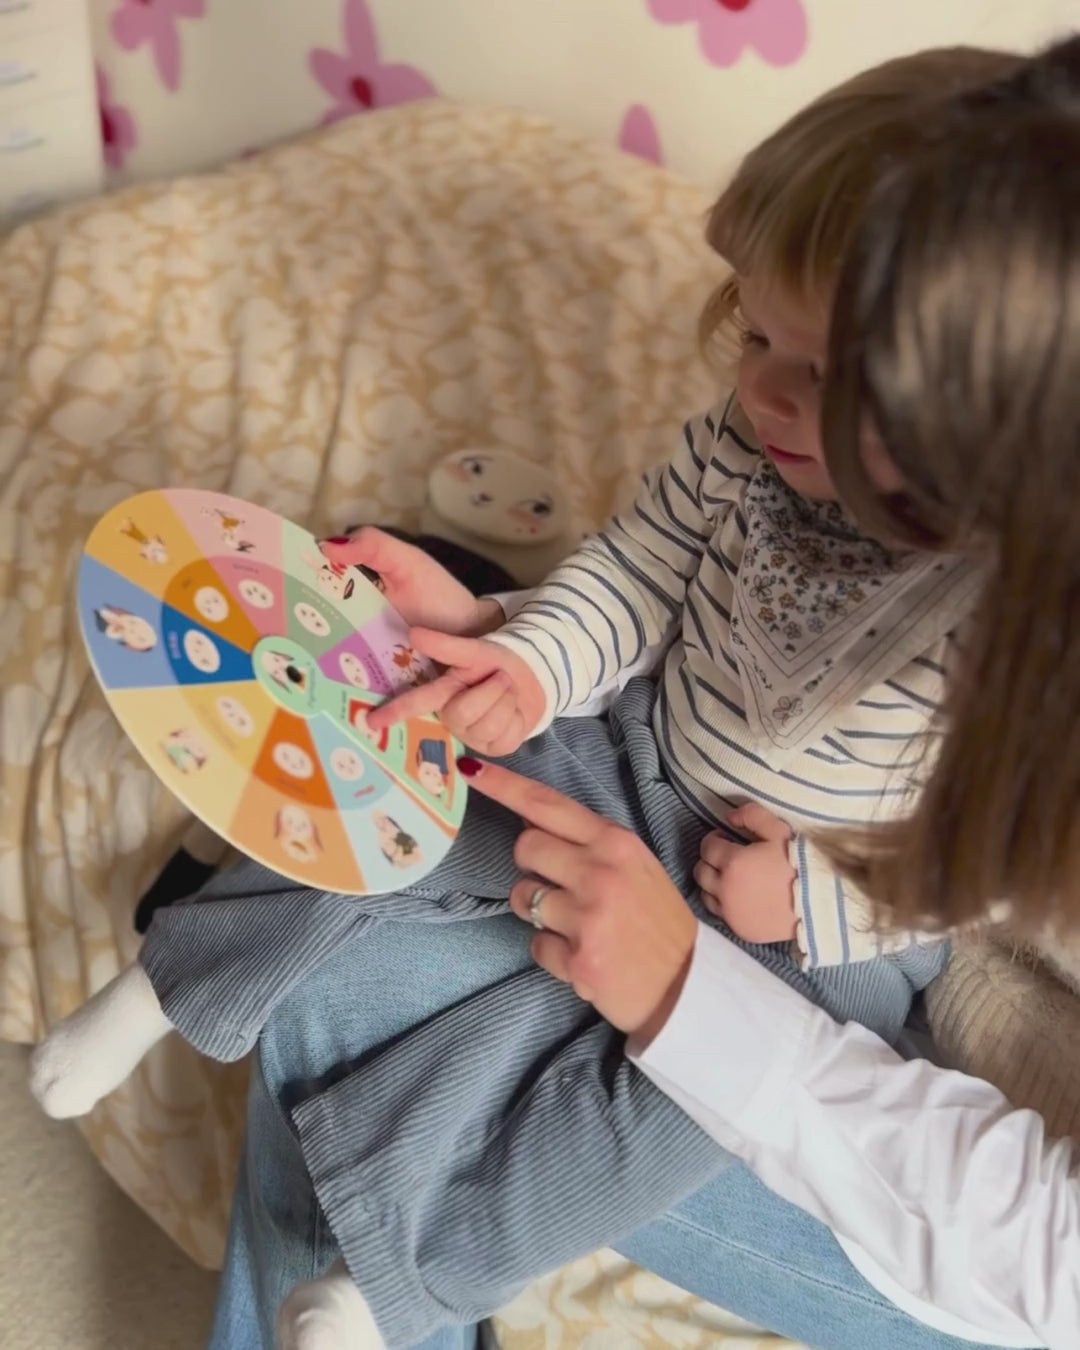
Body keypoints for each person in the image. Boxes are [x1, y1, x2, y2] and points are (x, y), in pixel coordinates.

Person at [29, 41, 1044, 1350]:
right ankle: (170, 987)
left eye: (829, 374)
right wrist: (525, 661)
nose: (766, 393)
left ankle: (407, 1284)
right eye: (754, 333)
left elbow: (997, 858)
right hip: (642, 757)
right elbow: (636, 571)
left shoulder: (998, 606)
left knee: (642, 1099)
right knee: (407, 767)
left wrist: (820, 900)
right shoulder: (742, 448)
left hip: (817, 923)